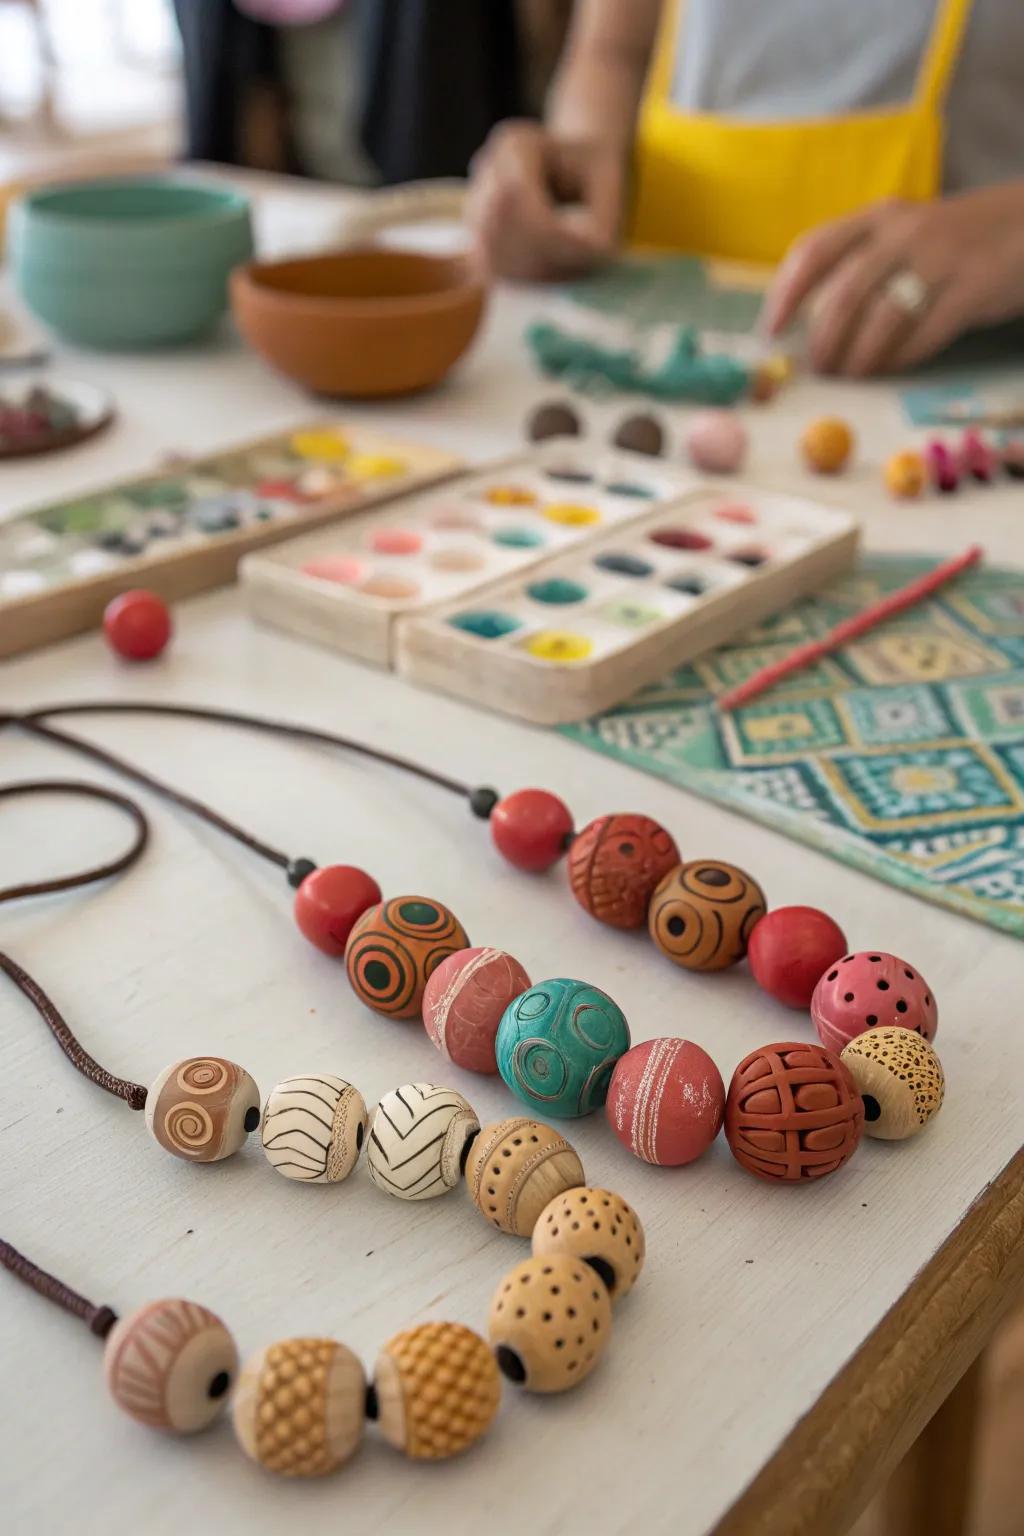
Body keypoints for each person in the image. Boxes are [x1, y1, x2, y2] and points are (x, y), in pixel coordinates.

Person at [468, 0, 1024, 376]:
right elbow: (614, 51)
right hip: (654, 357)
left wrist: (1009, 230)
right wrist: (572, 169)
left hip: (966, 392)